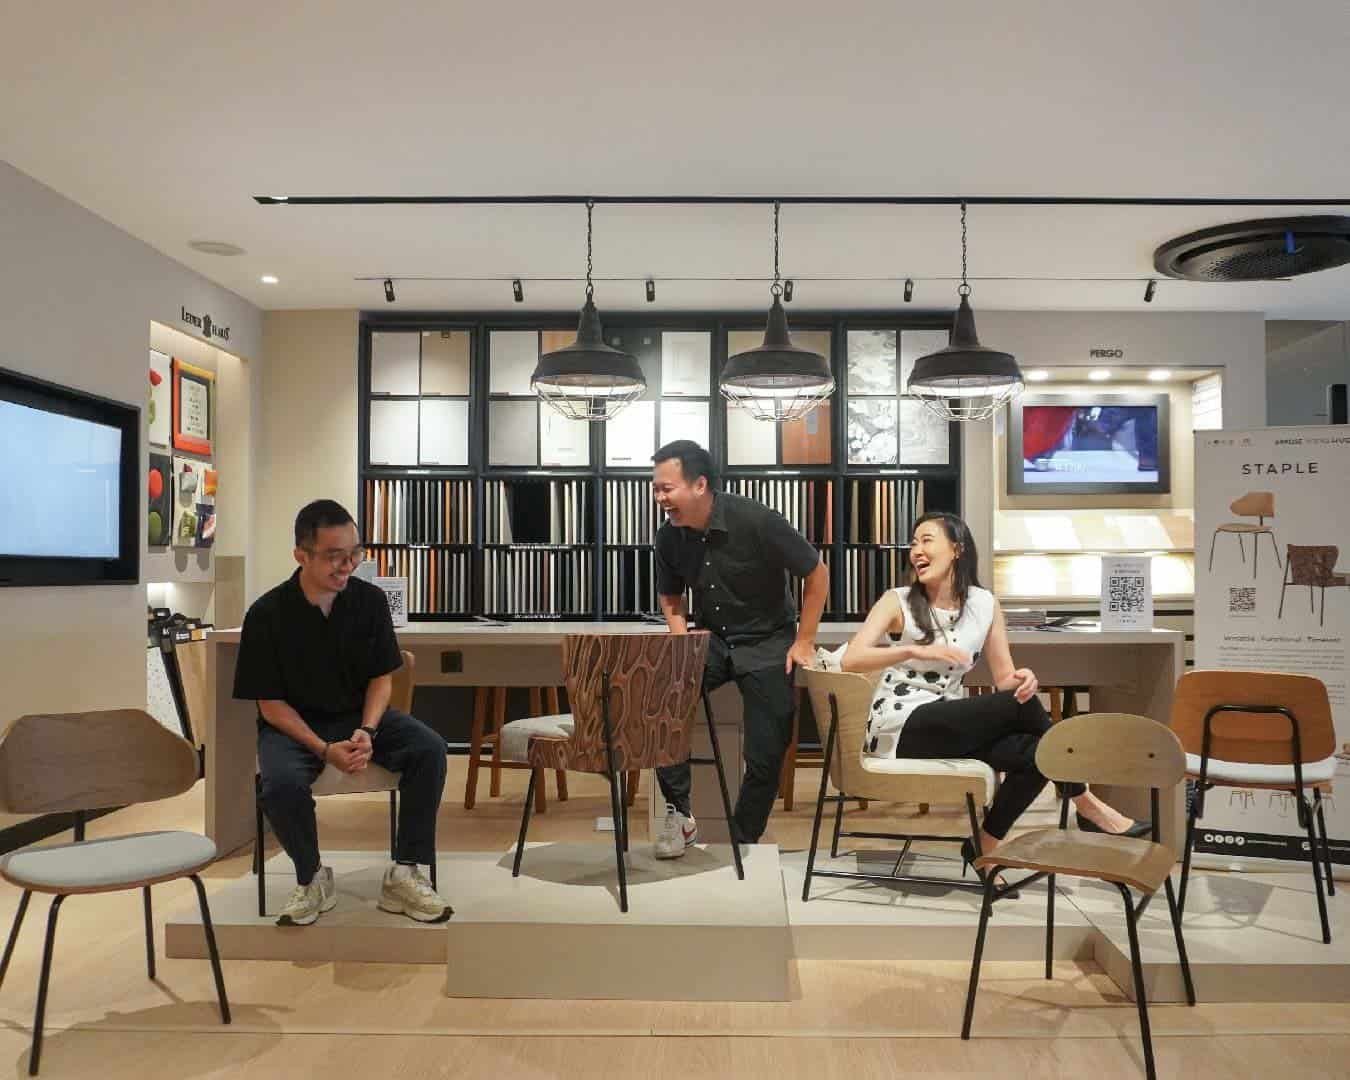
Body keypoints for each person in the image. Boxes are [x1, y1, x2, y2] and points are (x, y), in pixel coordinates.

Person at [842, 511, 1145, 872]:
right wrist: (914, 649)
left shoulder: (985, 605)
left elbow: (1005, 679)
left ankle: (982, 848)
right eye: (913, 543)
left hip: (947, 719)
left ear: (957, 548)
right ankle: (1084, 800)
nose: (916, 551)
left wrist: (1025, 677)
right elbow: (852, 659)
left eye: (926, 540)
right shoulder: (899, 600)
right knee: (1023, 711)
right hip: (900, 723)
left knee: (1035, 754)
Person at [233, 499, 453, 926]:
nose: (347, 565)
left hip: (359, 717)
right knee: (279, 785)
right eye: (335, 556)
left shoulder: (368, 602)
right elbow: (270, 706)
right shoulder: (266, 615)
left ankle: (405, 870)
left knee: (430, 749)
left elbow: (381, 678)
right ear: (301, 555)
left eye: (354, 553)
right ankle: (312, 876)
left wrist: (368, 730)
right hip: (294, 726)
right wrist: (323, 749)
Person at [651, 440, 828, 855]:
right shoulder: (668, 538)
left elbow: (817, 571)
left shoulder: (758, 520)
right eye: (656, 489)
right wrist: (681, 649)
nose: (660, 498)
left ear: (699, 485)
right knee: (658, 697)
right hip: (711, 640)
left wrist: (804, 640)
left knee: (768, 747)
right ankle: (680, 815)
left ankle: (742, 835)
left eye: (667, 488)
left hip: (769, 640)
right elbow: (671, 599)